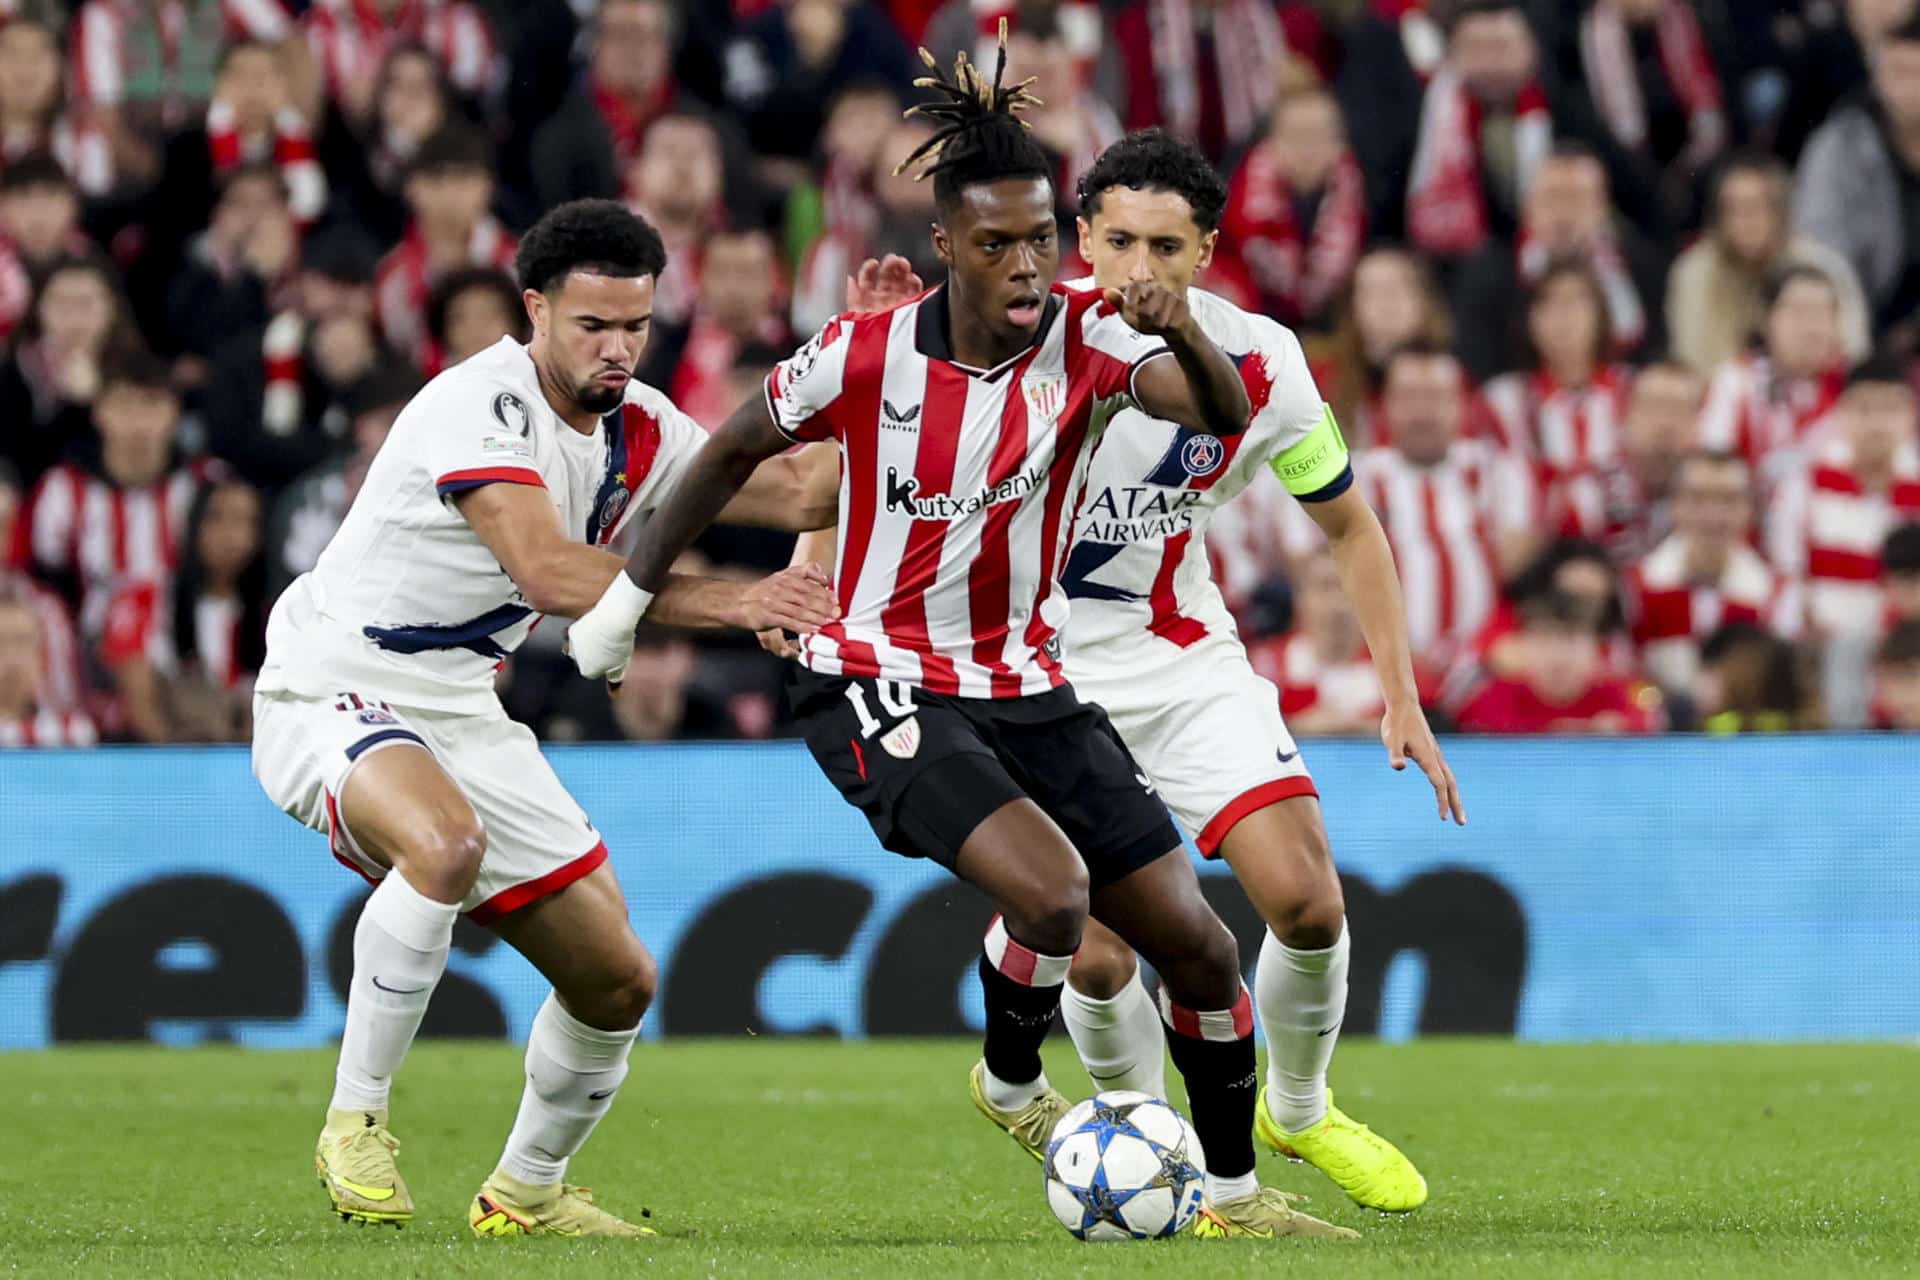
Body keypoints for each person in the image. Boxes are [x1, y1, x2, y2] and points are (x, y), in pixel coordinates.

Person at [568, 36, 1353, 1242]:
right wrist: (626, 602)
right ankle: (1010, 1077)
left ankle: (1237, 1200)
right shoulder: (861, 354)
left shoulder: (1091, 342)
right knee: (1054, 898)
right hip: (874, 677)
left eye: (1042, 237)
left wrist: (1182, 325)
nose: (1028, 263)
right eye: (997, 244)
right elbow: (725, 454)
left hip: (1029, 681)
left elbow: (1222, 408)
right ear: (945, 247)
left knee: (1200, 946)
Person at [250, 199, 840, 1237]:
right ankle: (354, 1118)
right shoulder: (479, 405)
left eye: (636, 326)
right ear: (534, 309)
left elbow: (801, 494)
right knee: (442, 842)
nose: (617, 350)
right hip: (336, 676)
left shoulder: (643, 424)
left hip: (461, 706)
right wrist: (737, 601)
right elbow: (548, 568)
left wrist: (864, 363)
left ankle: (525, 1189)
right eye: (592, 327)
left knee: (616, 977)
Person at [1666, 153, 1870, 374]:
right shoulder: (1694, 272)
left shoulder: (1825, 267)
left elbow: (1853, 350)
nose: (1744, 221)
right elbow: (1690, 362)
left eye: (1756, 207)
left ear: (1781, 210)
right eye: (1732, 209)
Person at [1624, 450, 1801, 698]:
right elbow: (1624, 680)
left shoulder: (1776, 596)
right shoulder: (1636, 589)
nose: (1714, 516)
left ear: (1750, 510)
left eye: (1729, 500)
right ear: (1675, 506)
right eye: (1698, 499)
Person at [1792, 11, 1920, 348]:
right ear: (1877, 77)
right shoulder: (1840, 145)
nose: (1909, 89)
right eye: (1898, 73)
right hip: (1870, 327)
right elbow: (1822, 254)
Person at [1481, 257, 1631, 485]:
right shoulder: (1502, 400)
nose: (1563, 314)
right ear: (1530, 320)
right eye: (1548, 302)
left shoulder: (1632, 391)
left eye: (1576, 299)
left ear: (1601, 315)